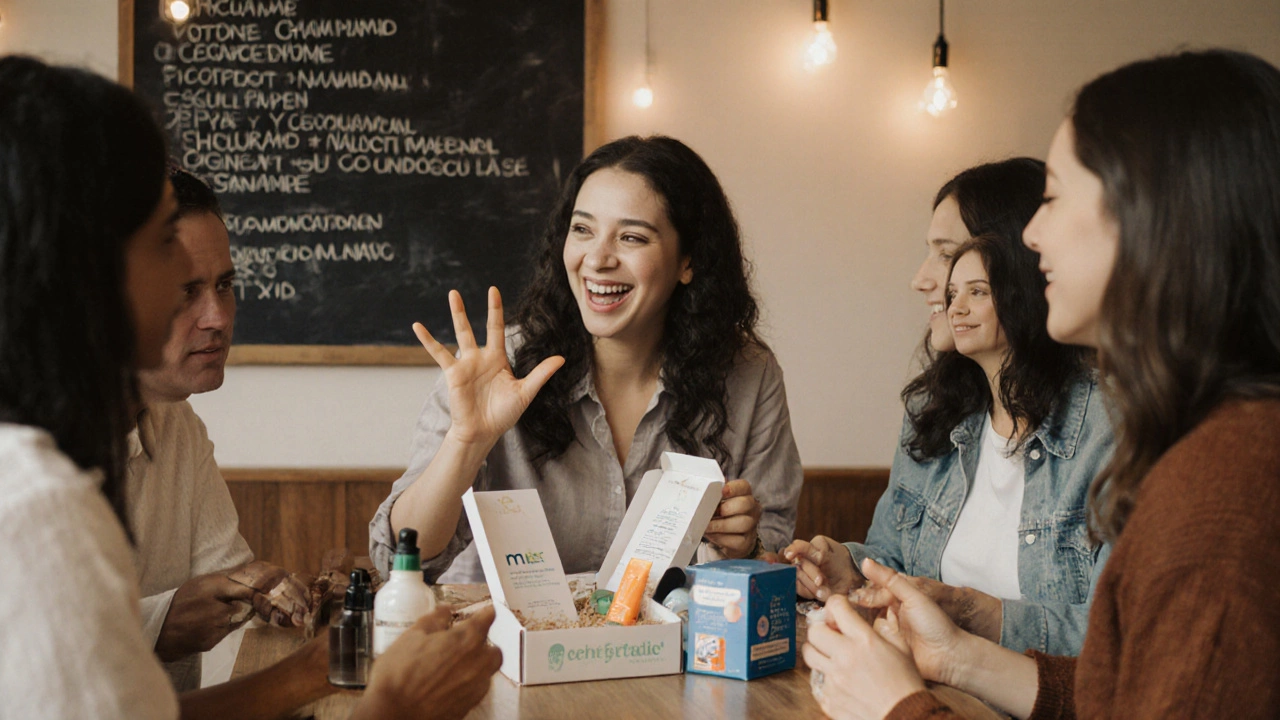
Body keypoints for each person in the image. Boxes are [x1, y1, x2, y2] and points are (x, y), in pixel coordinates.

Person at [0, 55, 500, 720]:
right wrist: (395, 708)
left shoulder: (111, 444)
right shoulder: (36, 509)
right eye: (164, 247)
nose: (214, 314)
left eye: (225, 284)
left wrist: (311, 670)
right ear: (79, 268)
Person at [803, 49, 1280, 720]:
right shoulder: (1212, 438)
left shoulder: (1224, 485)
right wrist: (958, 657)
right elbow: (1117, 694)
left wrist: (896, 704)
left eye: (1054, 198)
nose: (1030, 236)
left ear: (1156, 217)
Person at [372, 135, 804, 582]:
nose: (596, 259)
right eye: (582, 229)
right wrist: (466, 440)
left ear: (688, 261)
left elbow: (773, 554)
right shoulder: (501, 367)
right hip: (498, 629)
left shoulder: (749, 374)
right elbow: (402, 556)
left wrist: (747, 545)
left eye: (631, 237)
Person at [785, 160, 1113, 655]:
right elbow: (895, 559)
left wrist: (969, 610)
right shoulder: (933, 409)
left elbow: (1119, 640)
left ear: (1021, 264)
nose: (923, 280)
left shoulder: (1110, 428)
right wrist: (850, 569)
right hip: (926, 680)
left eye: (947, 253)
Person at [129, 164, 309, 692]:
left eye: (225, 285)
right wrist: (156, 626)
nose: (218, 318)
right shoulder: (29, 453)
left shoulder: (178, 424)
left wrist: (263, 589)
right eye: (185, 291)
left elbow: (230, 582)